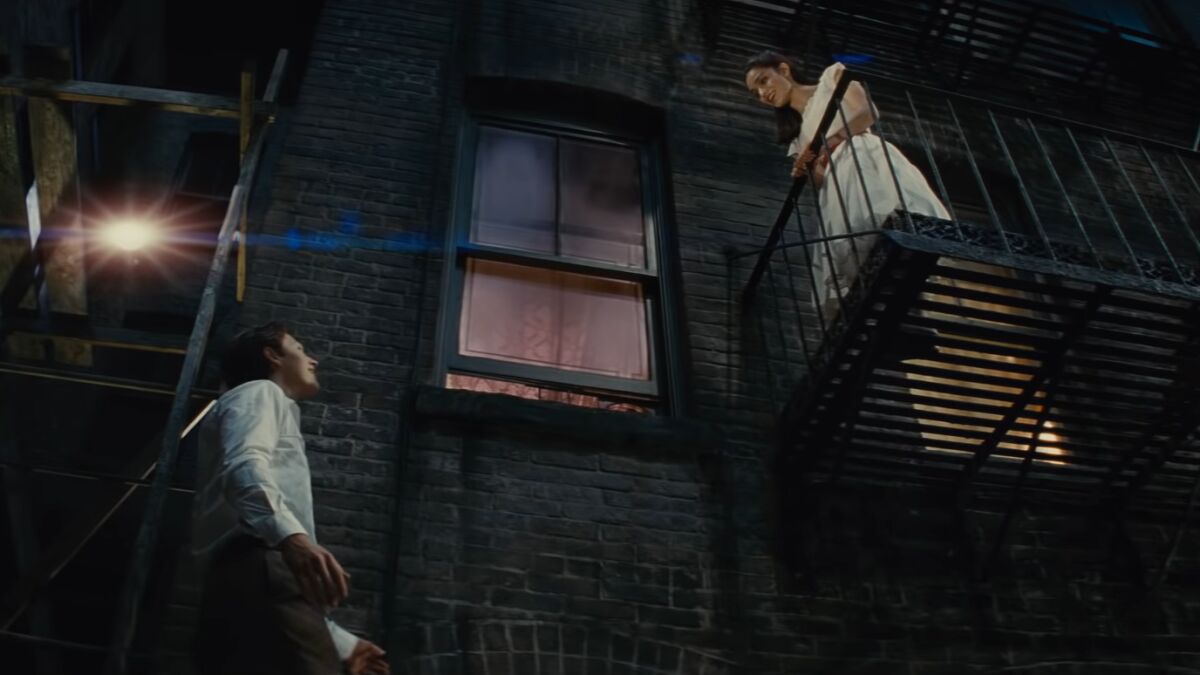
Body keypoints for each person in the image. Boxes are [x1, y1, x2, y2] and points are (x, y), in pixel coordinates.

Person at [192, 322, 389, 675]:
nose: (313, 360)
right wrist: (292, 538)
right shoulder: (260, 392)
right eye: (299, 348)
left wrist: (342, 644)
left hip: (251, 572)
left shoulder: (265, 404)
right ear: (272, 355)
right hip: (259, 562)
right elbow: (244, 467)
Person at [744, 51, 950, 315]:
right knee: (862, 247)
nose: (763, 93)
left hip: (863, 157)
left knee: (892, 223)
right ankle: (899, 309)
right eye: (756, 93)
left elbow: (867, 113)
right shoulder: (797, 138)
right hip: (838, 184)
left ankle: (912, 302)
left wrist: (825, 144)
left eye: (763, 81)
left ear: (784, 70)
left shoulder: (832, 77)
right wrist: (806, 170)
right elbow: (820, 179)